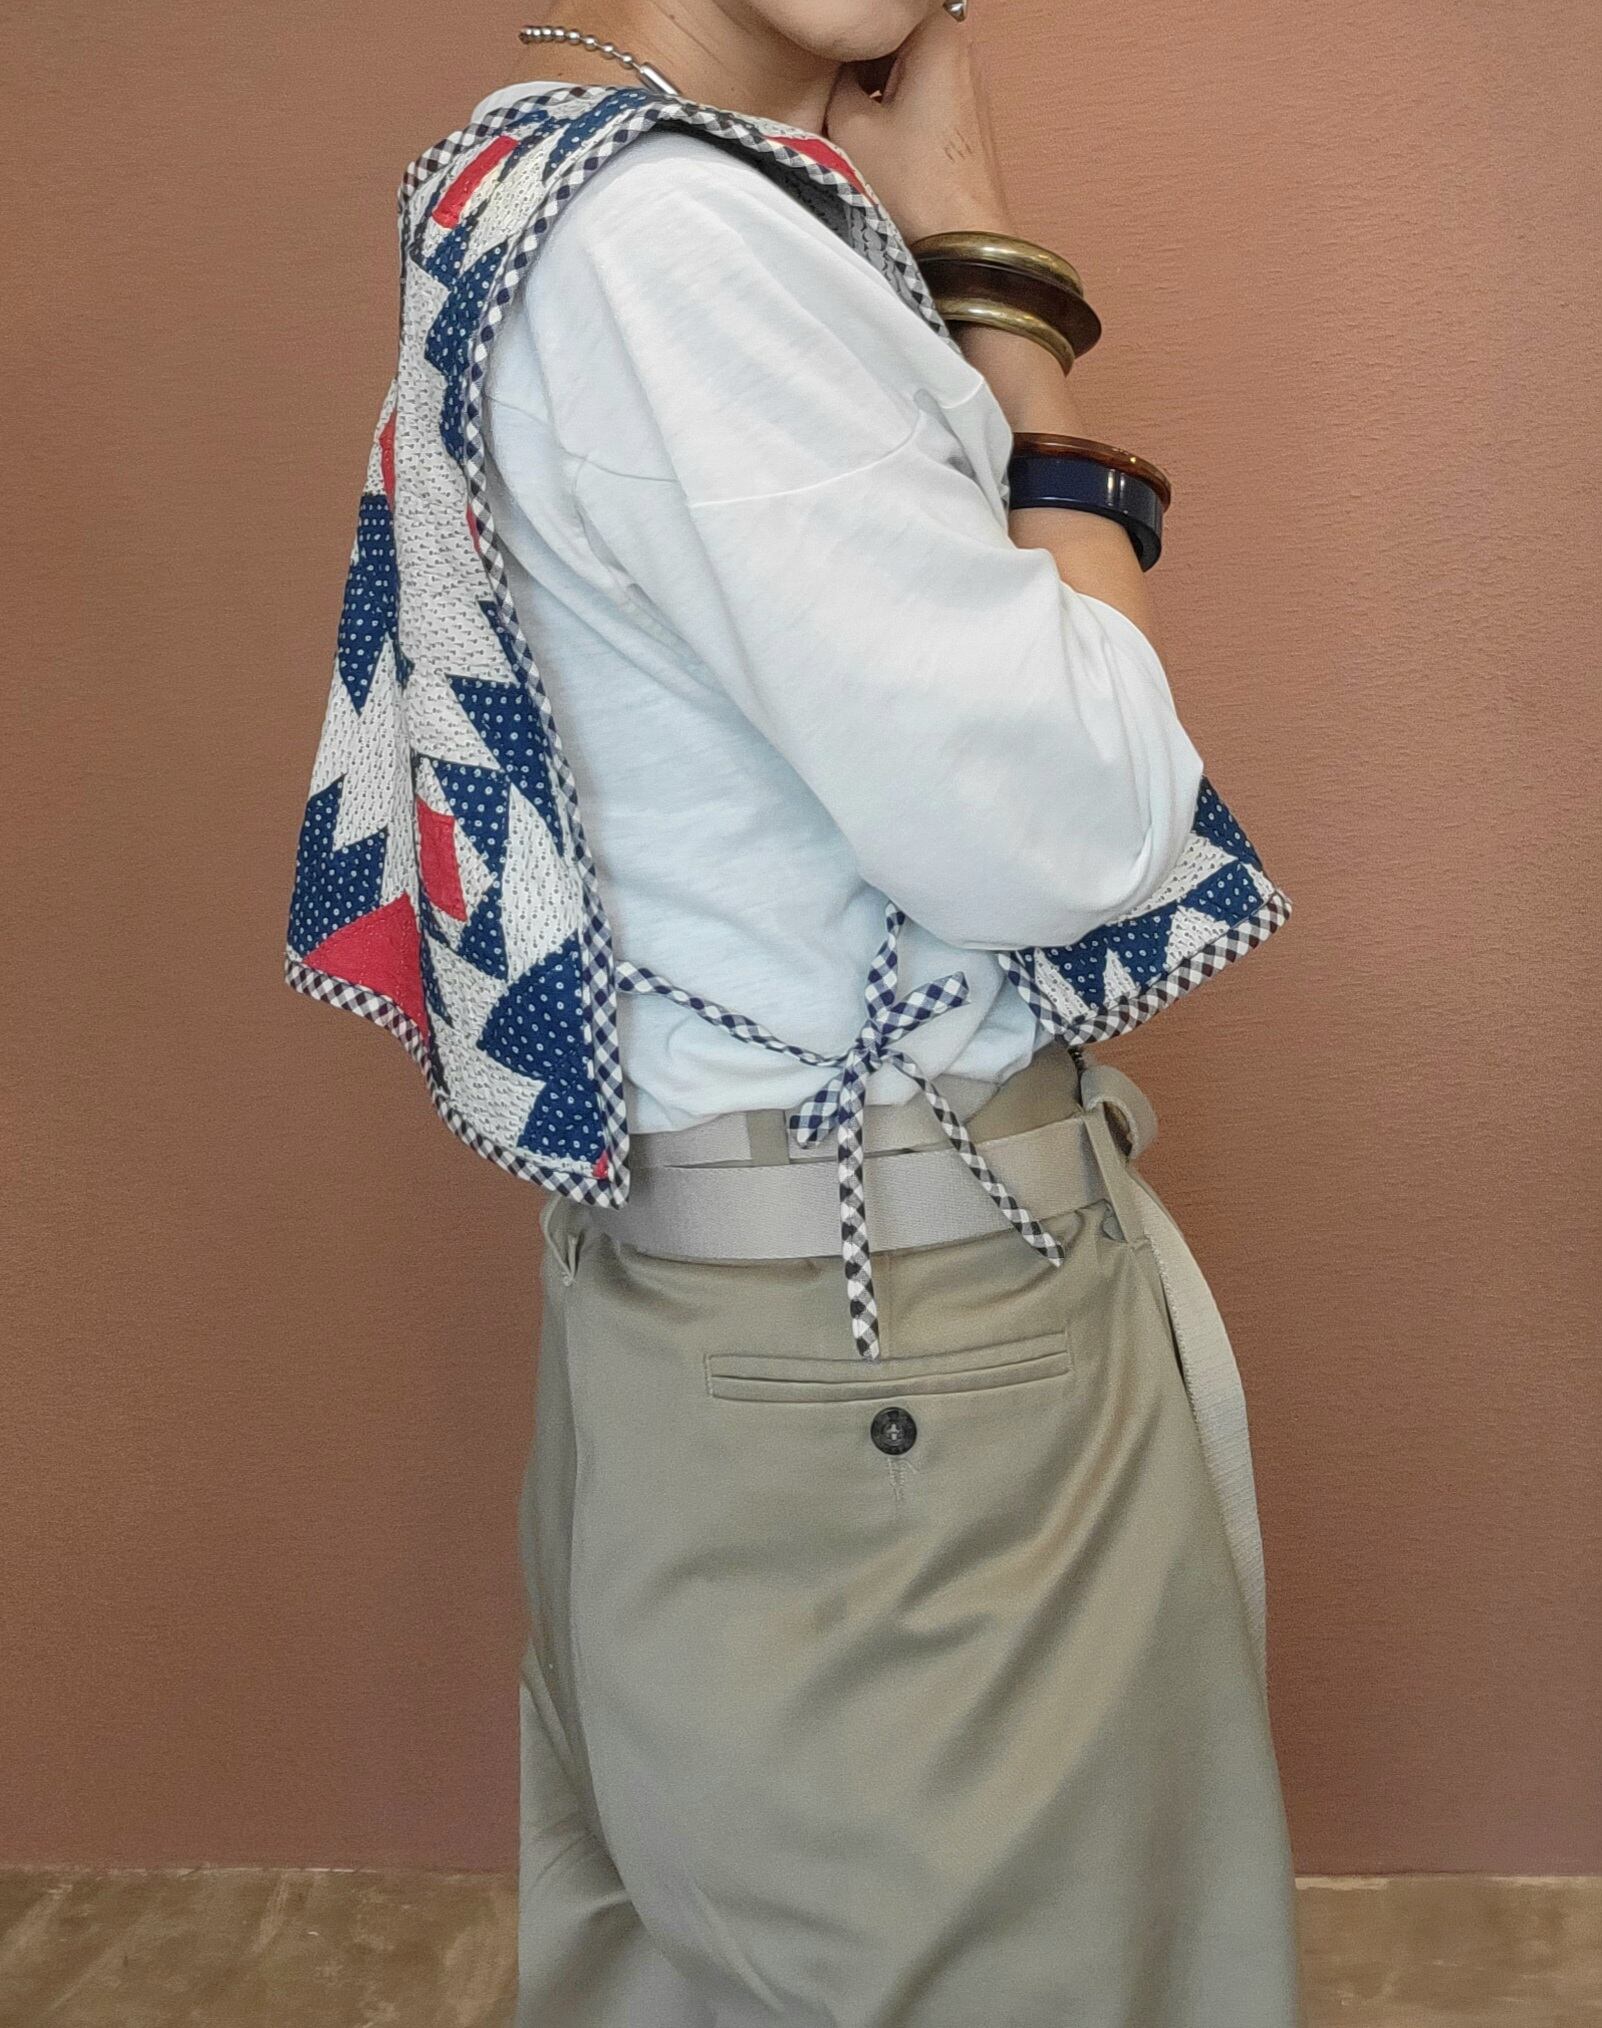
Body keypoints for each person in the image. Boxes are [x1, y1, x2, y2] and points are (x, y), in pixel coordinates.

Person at [284, 2, 1303, 2020]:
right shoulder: (676, 244)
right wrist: (999, 282)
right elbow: (1086, 823)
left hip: (745, 1323)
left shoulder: (537, 180)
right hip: (895, 1364)